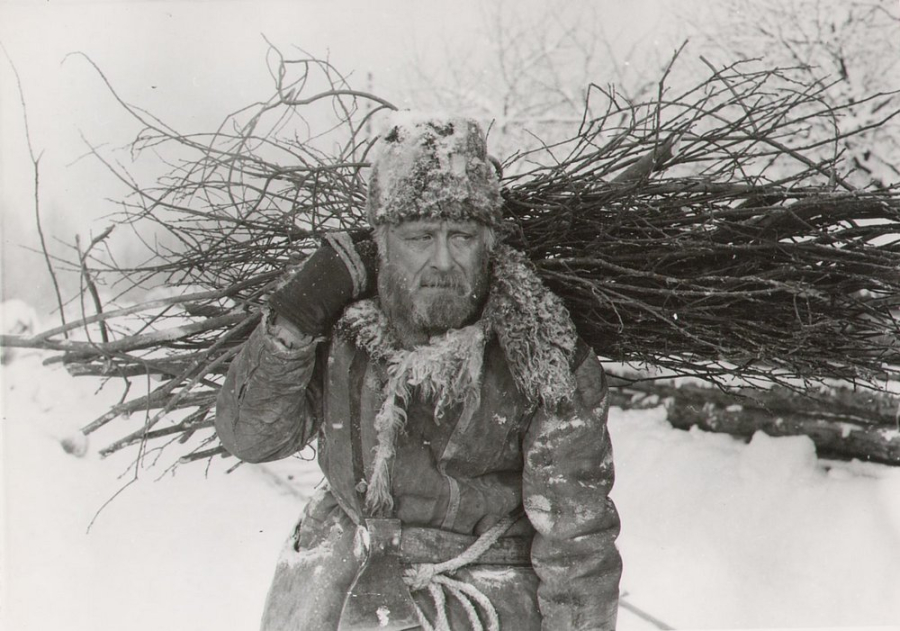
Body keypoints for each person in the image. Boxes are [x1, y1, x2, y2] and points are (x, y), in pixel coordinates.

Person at [215, 113, 622, 631]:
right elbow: (250, 437)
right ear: (381, 242)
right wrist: (295, 317)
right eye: (420, 236)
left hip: (477, 597)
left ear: (490, 242)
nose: (444, 260)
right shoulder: (343, 335)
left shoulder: (543, 354)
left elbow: (577, 542)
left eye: (463, 236)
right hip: (337, 580)